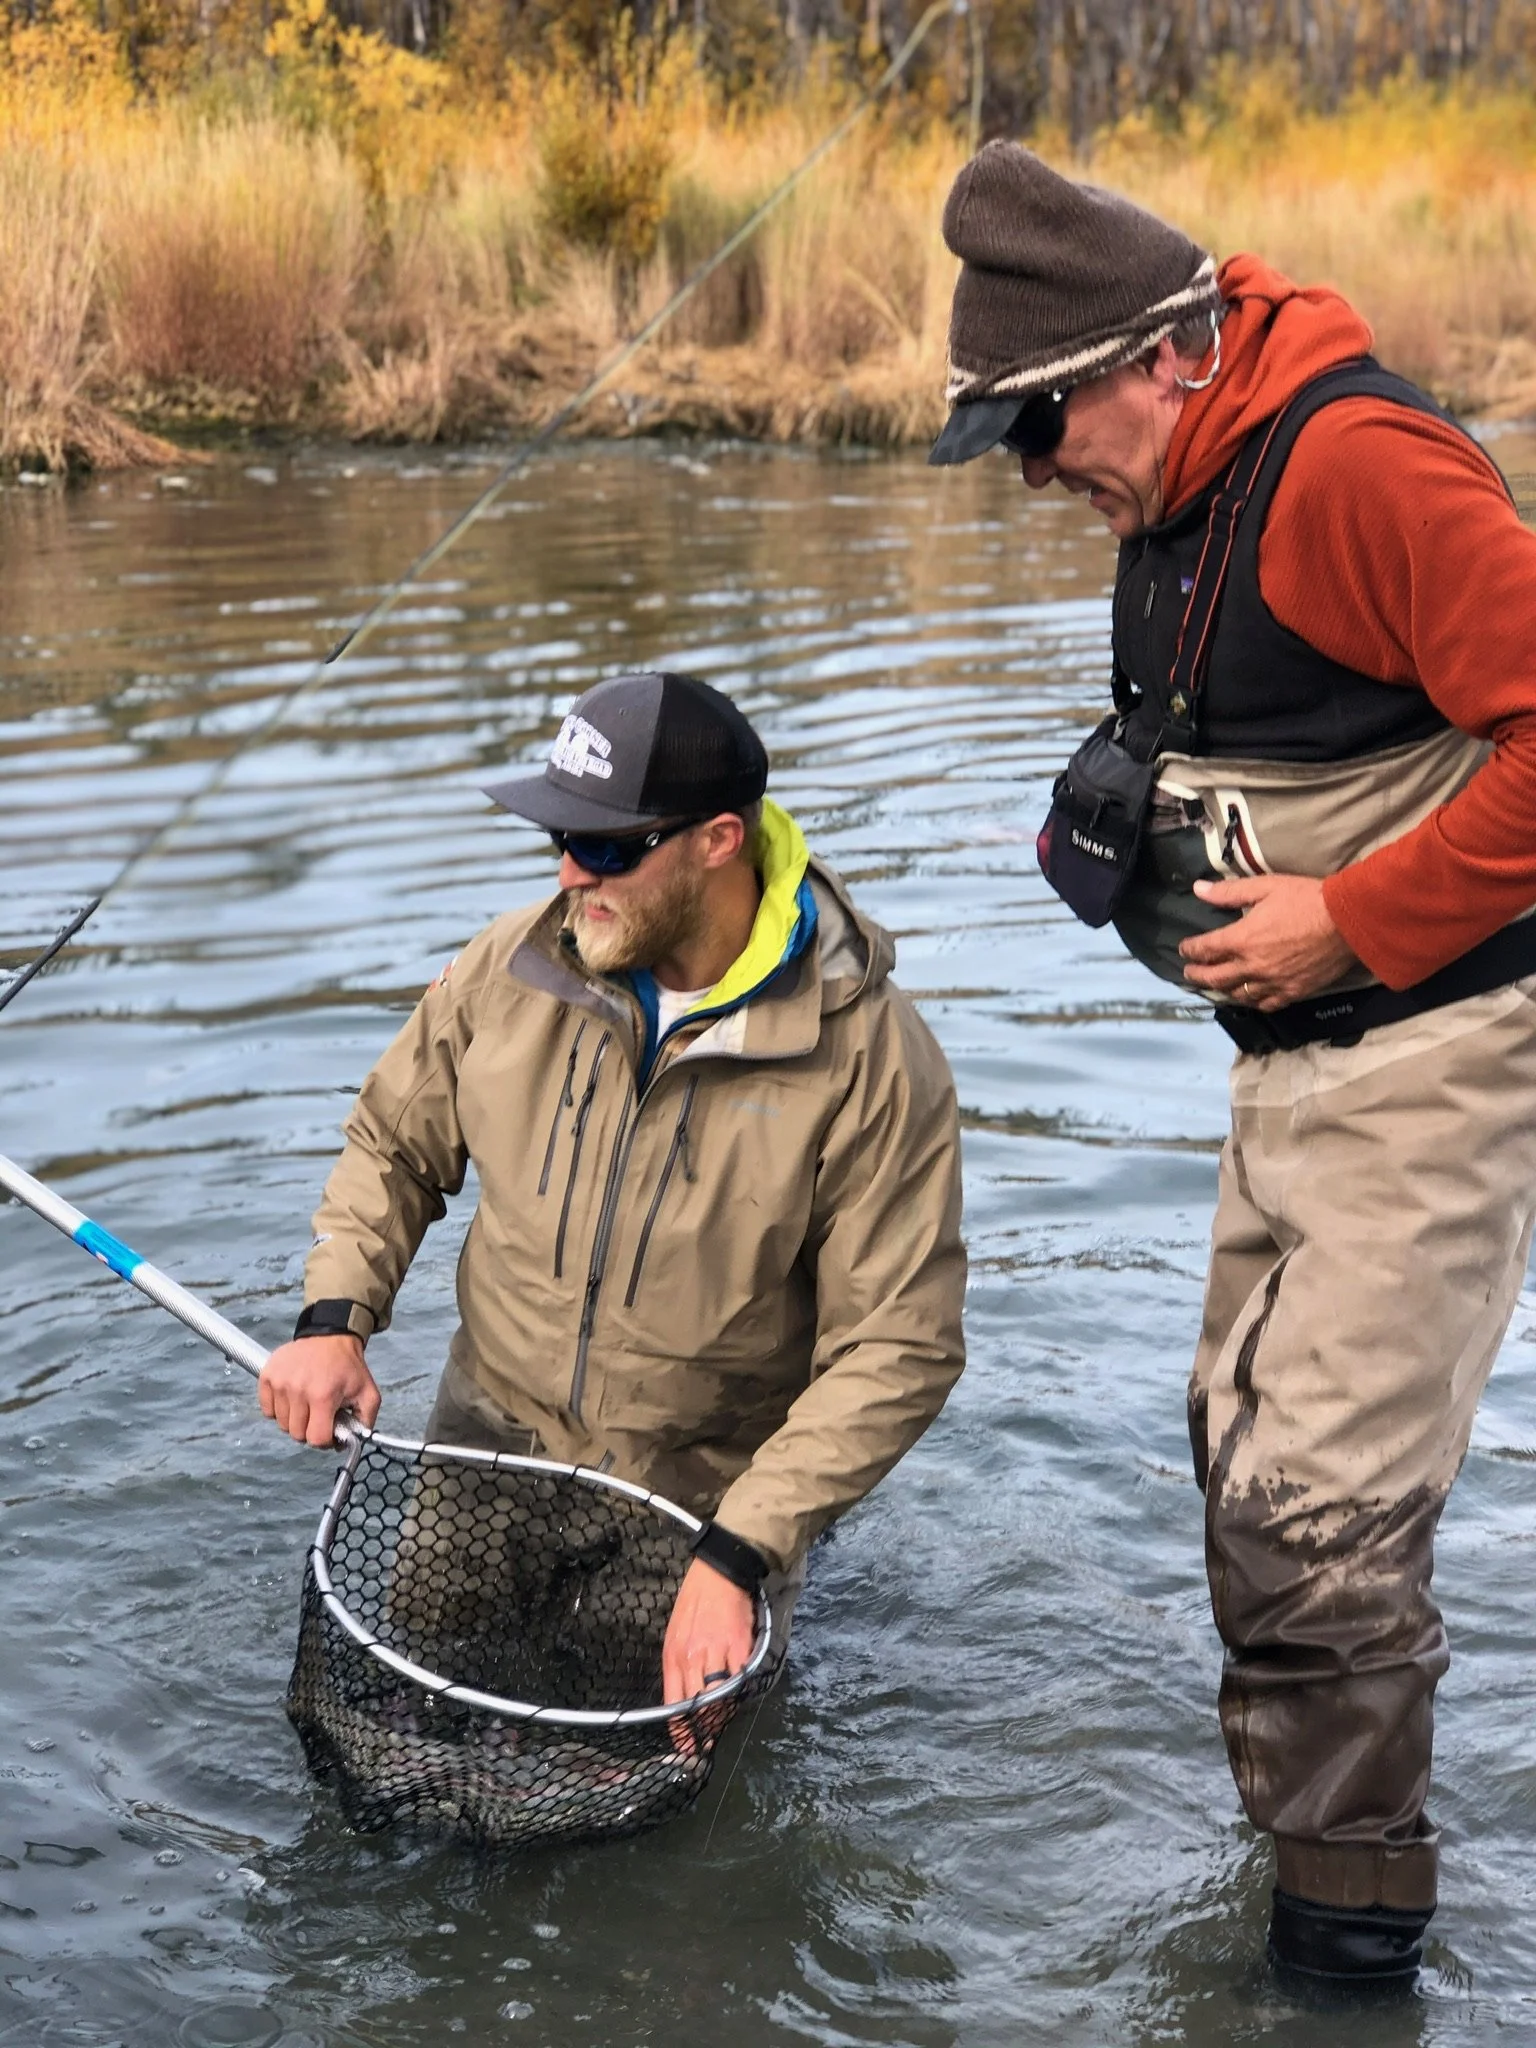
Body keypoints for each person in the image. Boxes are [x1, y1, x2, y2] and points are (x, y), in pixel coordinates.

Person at [930, 142, 1536, 1988]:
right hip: (1286, 1074)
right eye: (1011, 441)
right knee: (1238, 1470)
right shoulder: (1188, 479)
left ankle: (1345, 1973)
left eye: (1046, 426)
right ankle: (1315, 1886)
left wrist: (1345, 921)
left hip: (1424, 1049)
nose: (1038, 474)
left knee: (1318, 1528)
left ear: (1169, 350)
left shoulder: (1358, 464)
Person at [258, 670, 966, 1710]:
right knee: (400, 1712)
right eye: (558, 836)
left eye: (606, 847)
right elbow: (392, 1142)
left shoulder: (874, 1059)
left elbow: (899, 1345)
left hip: (693, 1500)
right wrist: (335, 1315)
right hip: (483, 1449)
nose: (568, 870)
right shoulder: (511, 962)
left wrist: (741, 1550)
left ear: (719, 841)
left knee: (655, 1786)